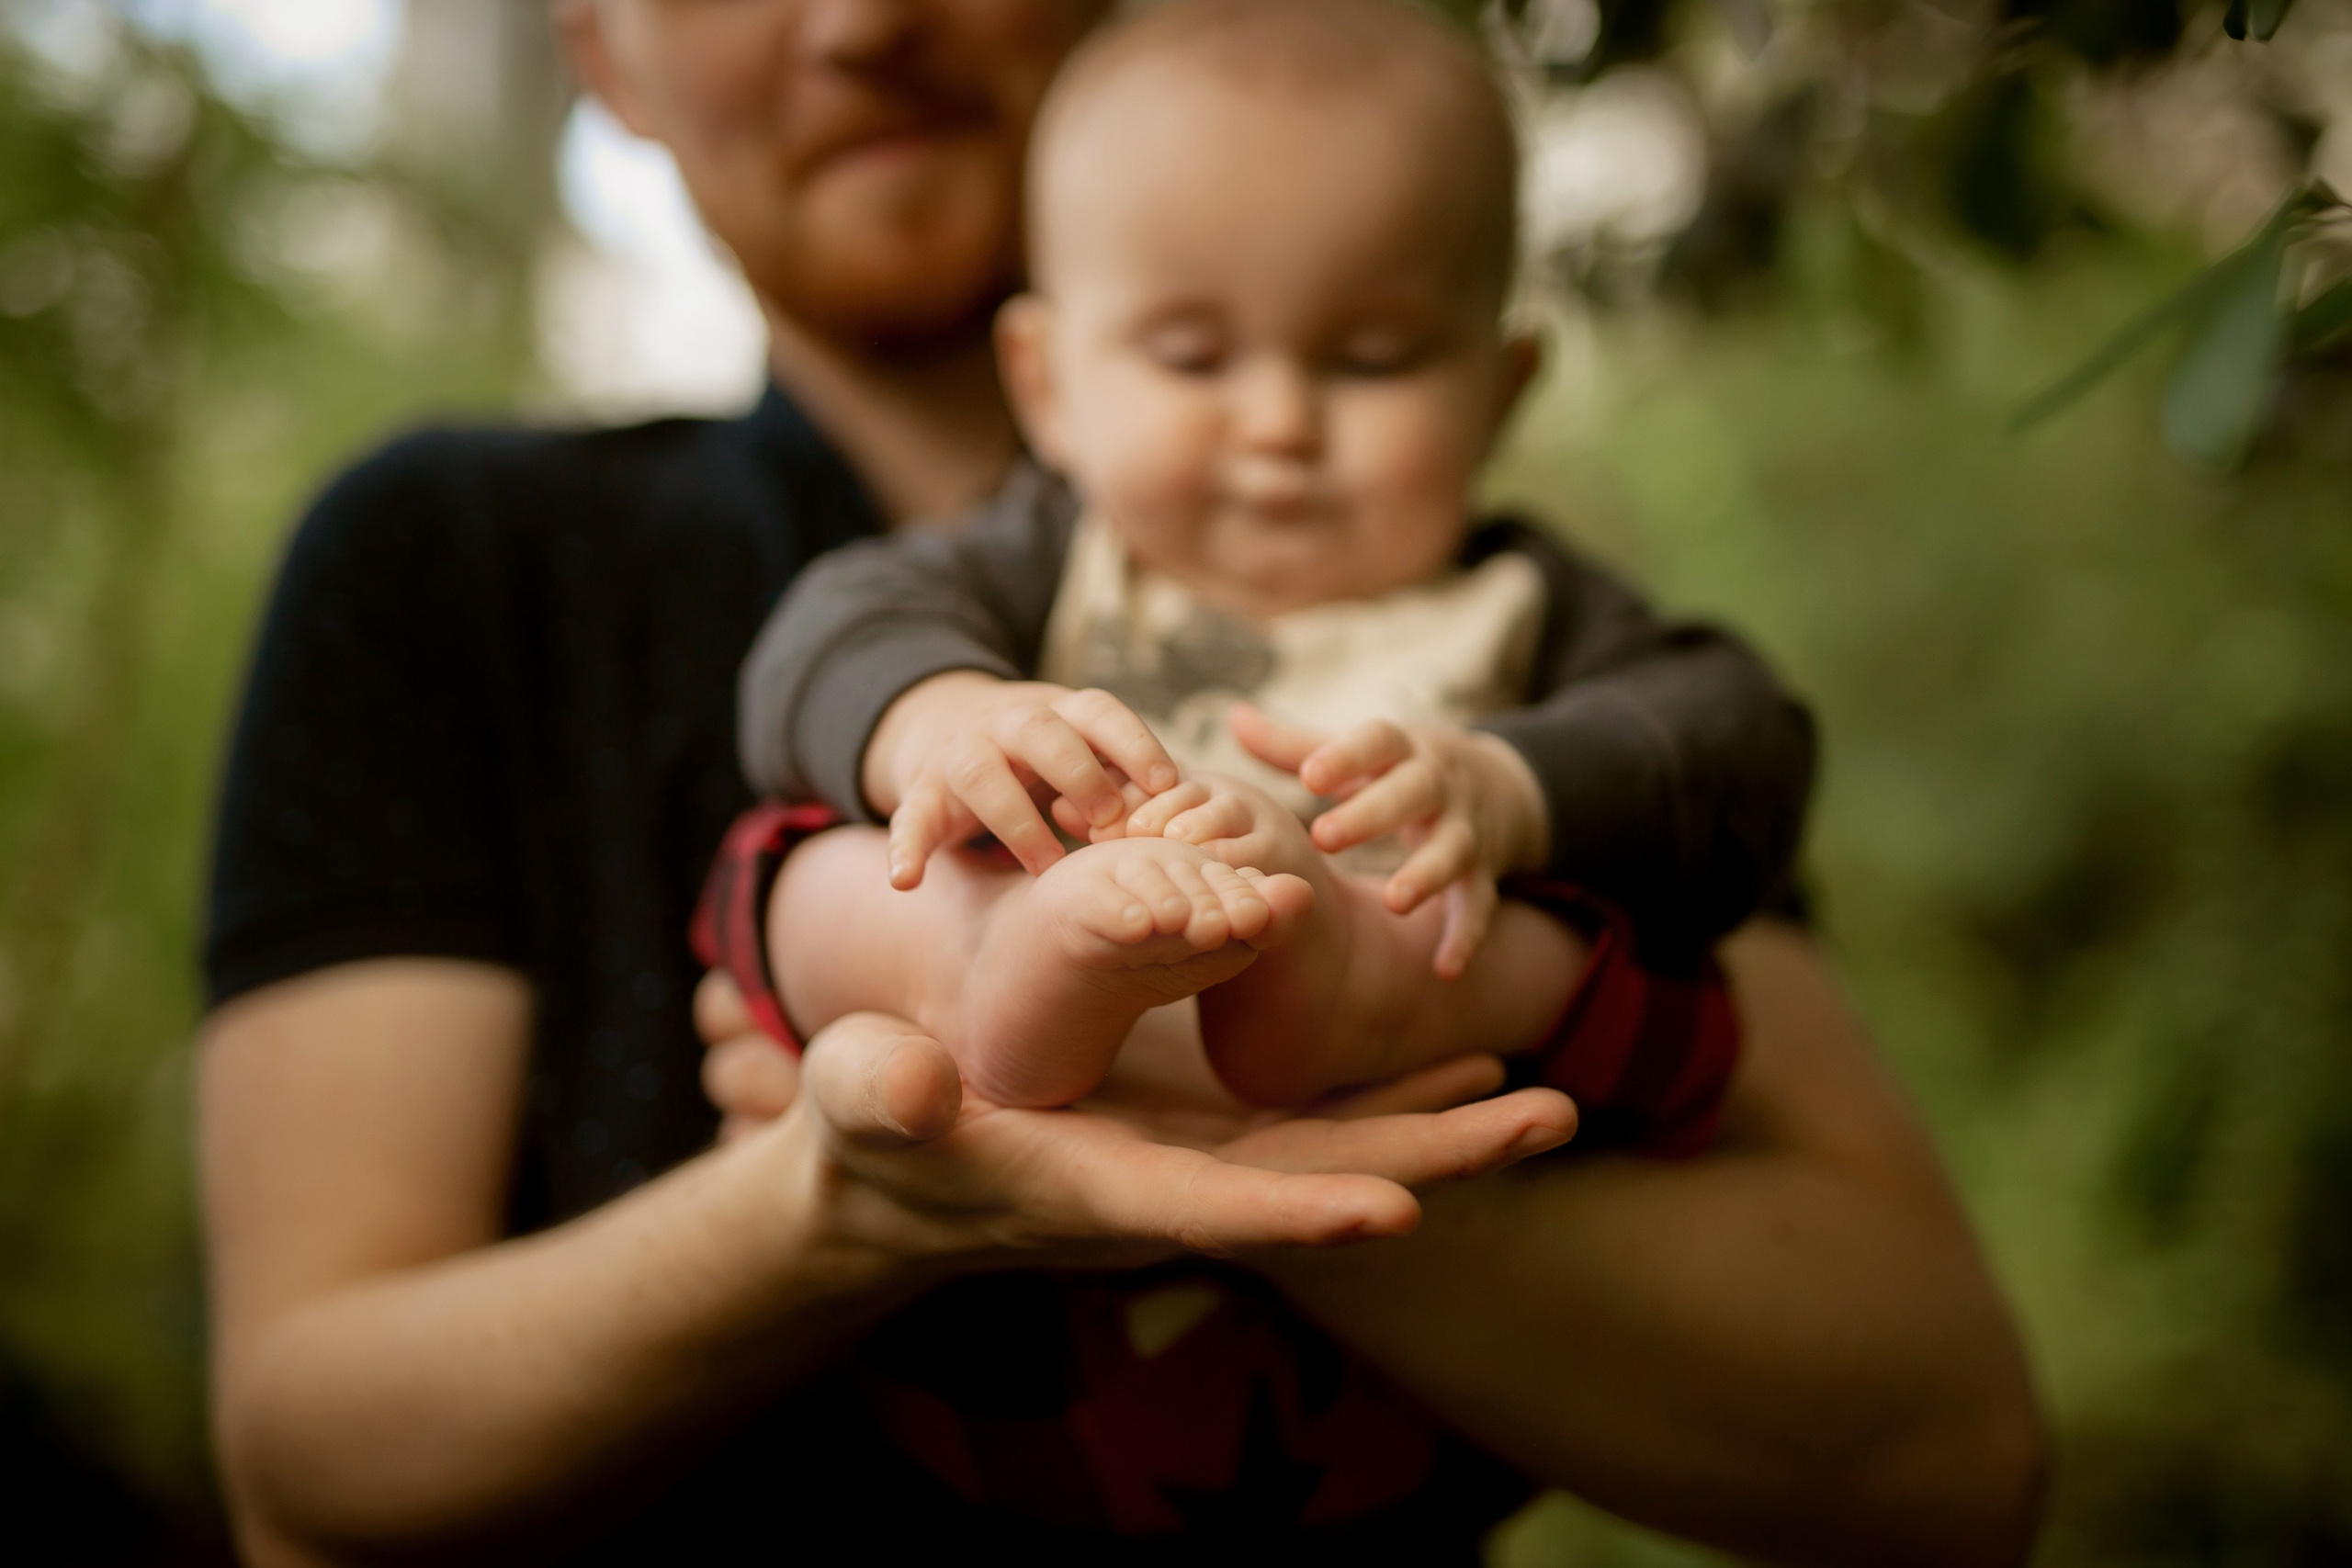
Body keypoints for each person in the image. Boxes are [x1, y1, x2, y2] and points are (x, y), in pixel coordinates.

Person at [195, 2, 2046, 1564]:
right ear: (600, 43)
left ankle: (1228, 978)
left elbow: (1946, 1450)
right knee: (815, 877)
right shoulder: (468, 561)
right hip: (976, 984)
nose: (859, 21)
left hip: (1331, 971)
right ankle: (1024, 980)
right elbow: (308, 1469)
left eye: (1372, 357)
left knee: (1511, 937)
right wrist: (823, 1212)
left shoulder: (1492, 600)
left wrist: (1447, 845)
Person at [735, 0, 1815, 1114]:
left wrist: (1511, 789)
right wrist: (947, 723)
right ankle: (974, 967)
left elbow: (1743, 742)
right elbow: (820, 636)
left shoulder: (1515, 598)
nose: (1278, 423)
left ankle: (1361, 986)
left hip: (1386, 1032)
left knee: (1634, 975)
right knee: (794, 876)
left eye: (1371, 359)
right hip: (1058, 983)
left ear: (1498, 396)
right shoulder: (1051, 562)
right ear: (1048, 385)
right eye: (1194, 357)